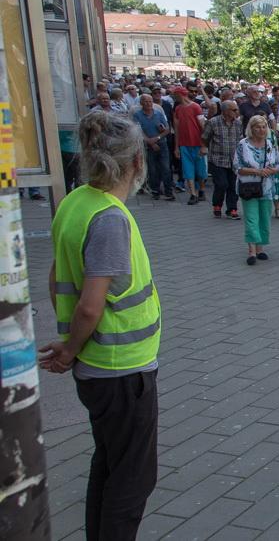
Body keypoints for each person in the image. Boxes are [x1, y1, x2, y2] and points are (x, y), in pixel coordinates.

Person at [41, 110, 161, 540]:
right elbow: (90, 306)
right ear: (134, 163)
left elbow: (56, 278)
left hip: (101, 366)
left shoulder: (75, 202)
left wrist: (69, 342)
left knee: (110, 463)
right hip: (120, 368)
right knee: (133, 479)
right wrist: (71, 347)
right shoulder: (110, 218)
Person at [234, 115, 279, 265]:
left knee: (264, 218)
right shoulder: (243, 144)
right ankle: (251, 251)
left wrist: (272, 170)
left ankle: (261, 248)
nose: (261, 130)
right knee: (251, 218)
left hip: (267, 187)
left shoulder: (270, 144)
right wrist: (256, 172)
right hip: (248, 187)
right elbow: (237, 167)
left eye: (263, 127)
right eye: (257, 127)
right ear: (251, 128)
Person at [202, 100, 243, 219]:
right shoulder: (213, 122)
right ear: (225, 111)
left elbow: (241, 139)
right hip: (217, 159)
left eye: (237, 109)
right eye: (234, 110)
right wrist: (204, 147)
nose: (236, 112)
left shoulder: (238, 123)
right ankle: (217, 204)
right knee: (221, 184)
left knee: (233, 185)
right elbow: (205, 137)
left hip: (234, 160)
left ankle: (232, 209)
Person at [132, 94, 173, 200]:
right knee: (152, 169)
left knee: (166, 168)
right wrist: (150, 141)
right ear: (141, 103)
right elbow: (138, 130)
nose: (148, 103)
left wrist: (157, 138)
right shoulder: (137, 115)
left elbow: (167, 129)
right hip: (147, 145)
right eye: (146, 101)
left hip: (161, 144)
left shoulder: (159, 113)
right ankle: (155, 190)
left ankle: (168, 191)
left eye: (150, 101)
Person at [172, 86, 207, 205]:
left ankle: (201, 189)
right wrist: (176, 146)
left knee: (201, 170)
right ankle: (193, 193)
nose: (173, 96)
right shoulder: (177, 109)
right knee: (188, 170)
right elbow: (176, 128)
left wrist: (204, 144)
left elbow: (203, 126)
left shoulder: (196, 107)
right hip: (184, 144)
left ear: (180, 94)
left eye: (175, 94)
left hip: (197, 143)